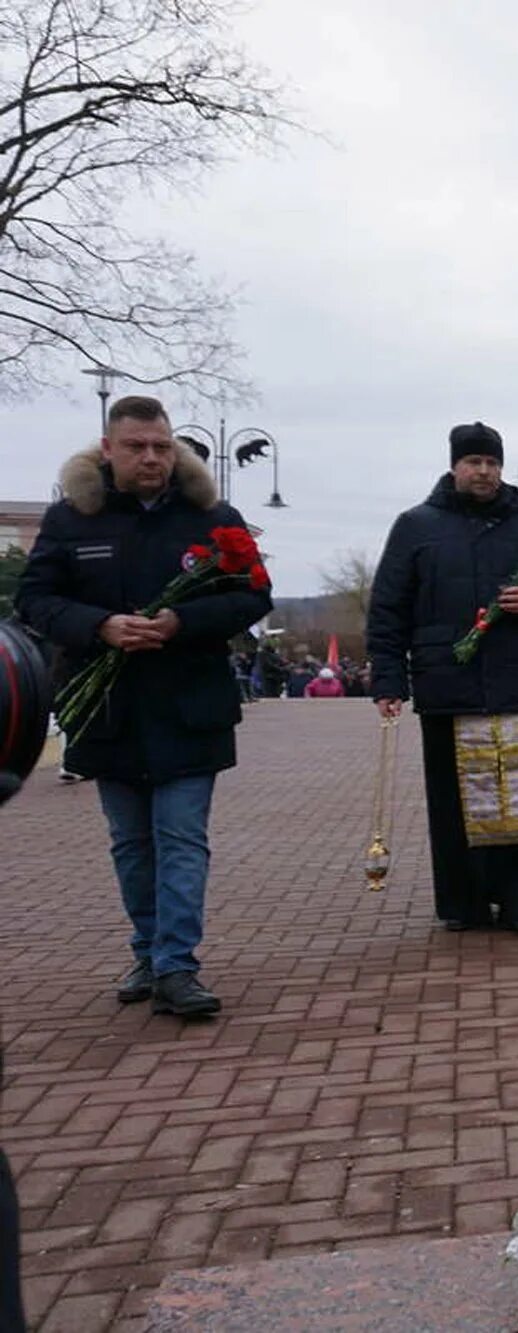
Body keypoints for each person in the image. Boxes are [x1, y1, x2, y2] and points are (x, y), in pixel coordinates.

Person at [17, 394, 273, 1016]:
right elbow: (36, 600)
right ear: (109, 449)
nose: (151, 458)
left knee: (181, 837)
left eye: (161, 446)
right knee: (131, 843)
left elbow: (254, 597)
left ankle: (176, 966)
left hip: (190, 704)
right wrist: (98, 625)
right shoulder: (73, 518)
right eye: (136, 447)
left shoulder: (211, 515)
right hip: (108, 707)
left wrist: (182, 621)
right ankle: (148, 949)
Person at [367, 422, 518, 936]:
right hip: (448, 684)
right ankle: (464, 902)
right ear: (455, 466)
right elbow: (388, 608)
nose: (483, 472)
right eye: (473, 462)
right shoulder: (417, 526)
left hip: (515, 684)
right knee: (455, 796)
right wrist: (389, 679)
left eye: (491, 463)